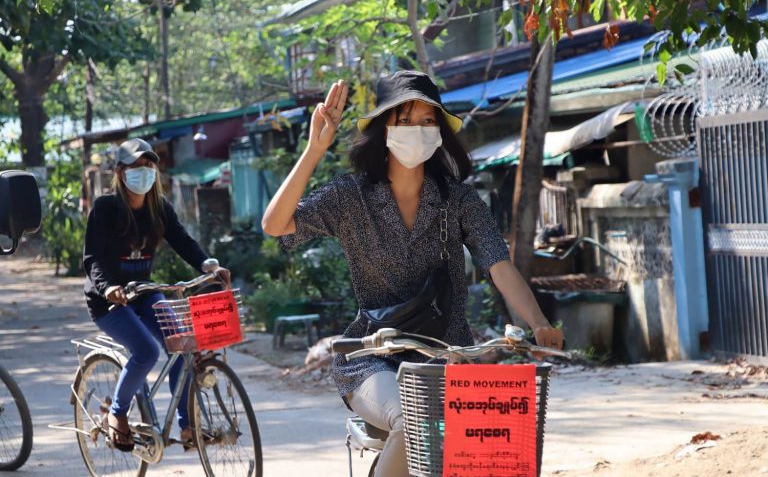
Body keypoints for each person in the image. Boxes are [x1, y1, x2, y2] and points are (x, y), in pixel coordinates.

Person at [262, 70, 564, 476]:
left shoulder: (457, 200)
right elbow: (275, 225)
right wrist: (314, 151)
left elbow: (498, 264)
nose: (416, 130)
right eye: (404, 120)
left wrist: (539, 323)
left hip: (447, 356)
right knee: (413, 418)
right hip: (371, 357)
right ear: (384, 128)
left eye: (427, 121)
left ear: (440, 131)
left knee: (488, 451)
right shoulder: (350, 197)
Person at [83, 138, 231, 452]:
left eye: (149, 165)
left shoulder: (158, 208)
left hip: (144, 292)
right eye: (137, 166)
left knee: (180, 344)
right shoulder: (106, 208)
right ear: (121, 172)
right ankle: (117, 413)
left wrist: (207, 265)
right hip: (107, 301)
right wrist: (108, 287)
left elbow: (181, 239)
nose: (145, 171)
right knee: (147, 352)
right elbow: (92, 258)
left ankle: (187, 425)